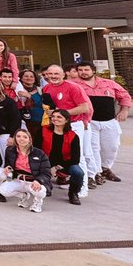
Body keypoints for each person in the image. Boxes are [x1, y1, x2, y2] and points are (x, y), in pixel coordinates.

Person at [42, 65, 94, 197]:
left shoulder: (73, 87)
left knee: (78, 156)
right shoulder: (46, 88)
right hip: (54, 126)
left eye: (56, 74)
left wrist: (62, 114)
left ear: (63, 75)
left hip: (74, 125)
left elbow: (84, 108)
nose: (53, 76)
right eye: (50, 74)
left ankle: (82, 188)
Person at [76, 62, 131, 184]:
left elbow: (124, 95)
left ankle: (106, 168)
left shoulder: (109, 83)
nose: (83, 72)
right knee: (93, 148)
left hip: (110, 120)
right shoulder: (75, 85)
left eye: (86, 70)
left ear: (93, 71)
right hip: (90, 122)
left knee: (112, 146)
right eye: (80, 70)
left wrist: (124, 110)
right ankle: (96, 172)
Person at [0, 128, 52, 213]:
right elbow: (8, 164)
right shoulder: (10, 150)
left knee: (40, 191)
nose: (21, 139)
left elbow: (47, 173)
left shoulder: (39, 153)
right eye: (18, 136)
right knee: (3, 190)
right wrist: (8, 168)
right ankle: (23, 196)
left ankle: (37, 202)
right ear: (15, 138)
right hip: (19, 180)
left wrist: (38, 181)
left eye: (24, 137)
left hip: (34, 181)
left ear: (30, 140)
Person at [37, 108, 84, 206]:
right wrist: (46, 166)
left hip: (64, 164)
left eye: (59, 117)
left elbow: (75, 159)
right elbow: (36, 150)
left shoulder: (73, 136)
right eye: (53, 116)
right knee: (46, 192)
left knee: (78, 172)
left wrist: (57, 167)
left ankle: (73, 193)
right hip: (45, 162)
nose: (55, 119)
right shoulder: (43, 130)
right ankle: (46, 184)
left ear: (66, 120)